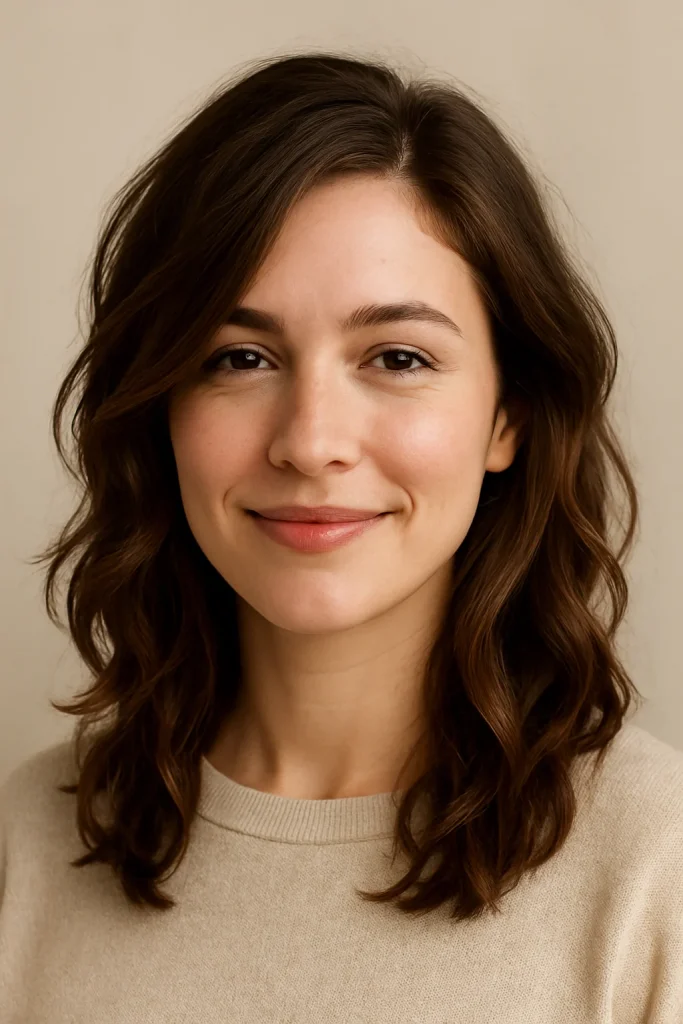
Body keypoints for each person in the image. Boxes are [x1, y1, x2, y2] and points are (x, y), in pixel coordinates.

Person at [1, 50, 681, 1024]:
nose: (311, 440)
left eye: (397, 357)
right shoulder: (27, 846)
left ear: (508, 415)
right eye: (239, 358)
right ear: (159, 408)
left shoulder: (656, 869)